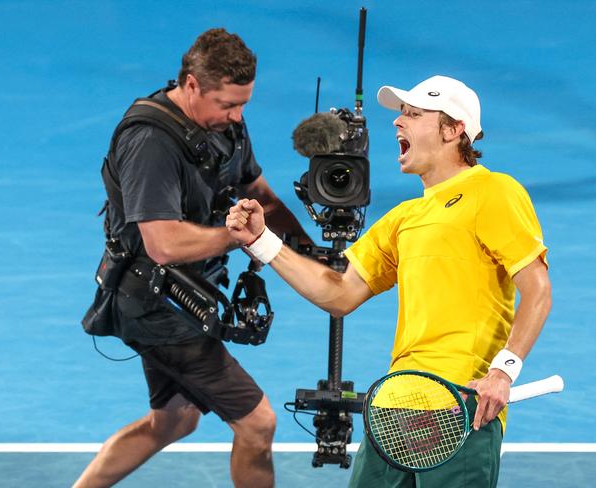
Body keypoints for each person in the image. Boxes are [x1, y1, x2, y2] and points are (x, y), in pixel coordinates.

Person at [226, 75, 552, 487]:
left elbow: (537, 288)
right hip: (394, 407)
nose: (398, 124)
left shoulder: (494, 191)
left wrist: (503, 373)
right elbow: (339, 293)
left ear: (453, 130)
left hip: (461, 408)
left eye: (414, 114)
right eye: (401, 115)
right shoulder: (402, 219)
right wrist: (262, 241)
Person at [75, 28, 310, 488]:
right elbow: (163, 244)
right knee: (258, 424)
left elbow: (253, 188)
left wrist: (305, 245)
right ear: (191, 85)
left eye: (244, 103)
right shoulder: (151, 142)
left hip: (183, 294)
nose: (238, 115)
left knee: (174, 421)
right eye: (227, 104)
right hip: (154, 305)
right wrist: (239, 237)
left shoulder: (223, 123)